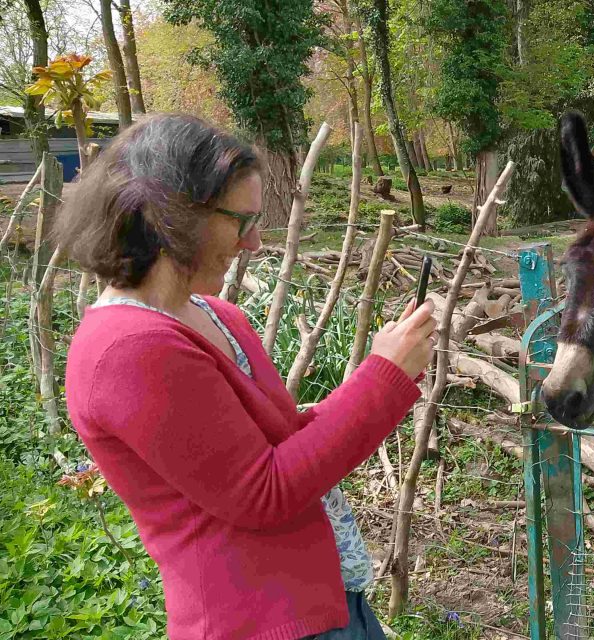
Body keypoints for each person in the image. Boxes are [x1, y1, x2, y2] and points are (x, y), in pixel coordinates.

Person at [58, 113, 438, 640]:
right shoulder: (126, 351)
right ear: (170, 215)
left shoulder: (215, 315)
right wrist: (382, 379)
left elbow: (285, 445)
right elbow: (264, 492)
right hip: (259, 622)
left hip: (326, 601)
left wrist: (383, 370)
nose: (254, 242)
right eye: (241, 221)